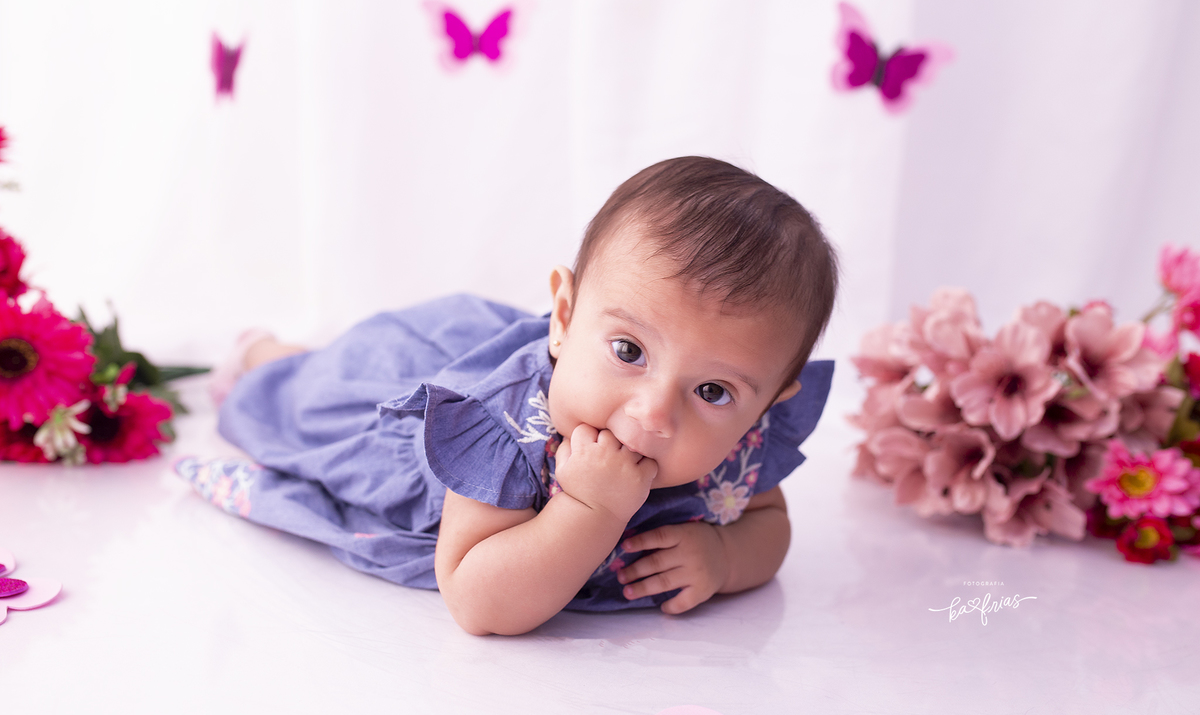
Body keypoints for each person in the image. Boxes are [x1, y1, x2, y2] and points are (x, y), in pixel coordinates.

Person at [177, 156, 839, 636]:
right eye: (629, 351)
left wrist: (726, 557)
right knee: (313, 389)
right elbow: (476, 600)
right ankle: (267, 351)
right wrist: (587, 509)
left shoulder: (741, 442)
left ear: (769, 403)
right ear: (565, 316)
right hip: (410, 402)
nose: (654, 414)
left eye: (713, 391)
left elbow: (768, 521)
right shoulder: (501, 428)